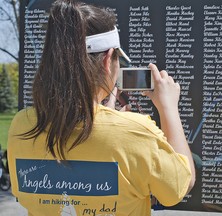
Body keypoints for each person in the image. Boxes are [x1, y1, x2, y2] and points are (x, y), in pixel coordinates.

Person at [7, 0, 196, 215]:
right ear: (108, 60)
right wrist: (169, 108)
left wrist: (108, 120)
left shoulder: (22, 126)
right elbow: (181, 184)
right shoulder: (134, 131)